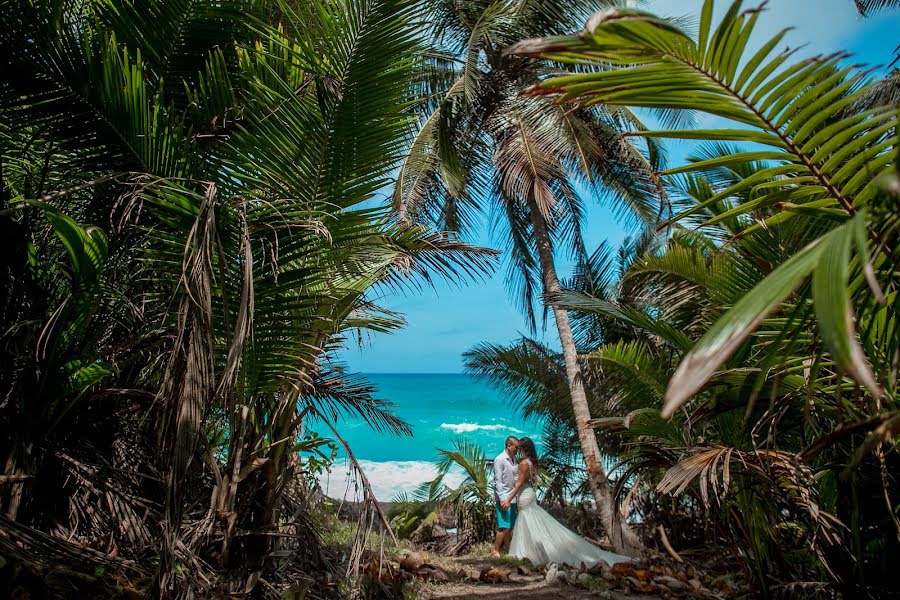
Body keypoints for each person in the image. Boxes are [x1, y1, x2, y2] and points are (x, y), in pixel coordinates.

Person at [501, 437, 632, 568]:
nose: (517, 450)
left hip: (524, 494)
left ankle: (528, 554)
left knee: (527, 521)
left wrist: (508, 498)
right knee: (532, 522)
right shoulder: (531, 462)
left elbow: (519, 483)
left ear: (524, 448)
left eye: (519, 447)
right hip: (529, 493)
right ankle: (533, 553)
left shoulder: (524, 464)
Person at [491, 436, 519, 557]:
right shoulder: (500, 459)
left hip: (512, 496)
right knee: (503, 525)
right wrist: (503, 499)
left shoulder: (514, 458)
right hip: (504, 497)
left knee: (510, 526)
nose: (517, 449)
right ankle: (496, 550)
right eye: (516, 447)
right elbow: (498, 481)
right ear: (509, 445)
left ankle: (507, 549)